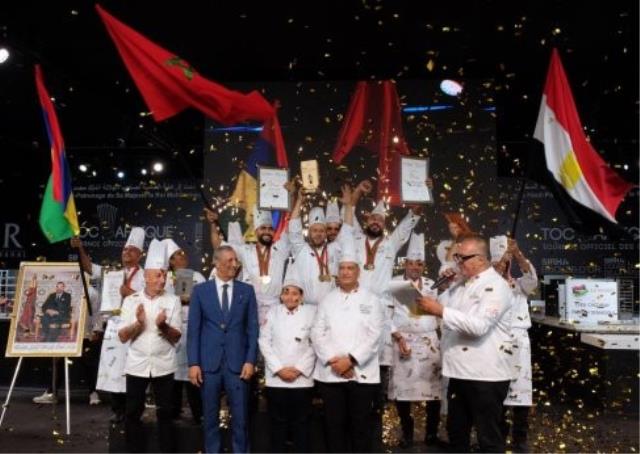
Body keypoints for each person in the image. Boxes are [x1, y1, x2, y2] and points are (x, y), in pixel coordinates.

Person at [418, 233, 515, 453]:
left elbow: (479, 326)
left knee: (488, 437)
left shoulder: (496, 286)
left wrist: (441, 310)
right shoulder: (462, 284)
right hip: (459, 373)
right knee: (457, 433)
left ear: (481, 259)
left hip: (486, 376)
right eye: (457, 257)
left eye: (463, 258)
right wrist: (447, 288)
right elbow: (443, 312)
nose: (457, 262)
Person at [311, 245, 384, 453]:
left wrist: (350, 361)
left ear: (358, 271)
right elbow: (317, 333)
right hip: (331, 375)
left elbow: (374, 335)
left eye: (350, 268)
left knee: (360, 427)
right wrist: (336, 362)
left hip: (362, 375)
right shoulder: (327, 299)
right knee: (333, 427)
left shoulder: (372, 299)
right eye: (342, 268)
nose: (345, 272)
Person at [187, 245, 259, 454]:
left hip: (238, 365)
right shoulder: (200, 291)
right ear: (216, 263)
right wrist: (193, 363)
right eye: (229, 261)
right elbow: (194, 331)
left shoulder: (246, 291)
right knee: (209, 419)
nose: (234, 265)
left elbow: (252, 329)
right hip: (209, 365)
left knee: (241, 419)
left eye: (235, 260)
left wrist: (250, 360)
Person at [73, 227, 146, 423]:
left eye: (131, 250)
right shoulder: (112, 273)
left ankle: (133, 411)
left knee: (131, 371)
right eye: (124, 249)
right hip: (113, 327)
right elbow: (89, 268)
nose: (126, 252)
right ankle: (117, 409)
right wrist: (80, 248)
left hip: (135, 329)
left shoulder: (145, 276)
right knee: (114, 369)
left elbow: (148, 301)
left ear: (139, 254)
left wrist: (129, 292)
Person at [118, 239, 182, 453]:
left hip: (164, 365)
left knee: (166, 413)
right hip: (137, 365)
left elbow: (176, 337)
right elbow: (122, 337)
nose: (162, 279)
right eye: (158, 274)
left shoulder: (173, 301)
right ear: (146, 277)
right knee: (133, 412)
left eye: (164, 274)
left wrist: (162, 325)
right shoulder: (131, 301)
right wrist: (139, 323)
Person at [388, 233, 443, 448]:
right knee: (403, 391)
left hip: (429, 342)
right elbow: (385, 314)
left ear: (423, 266)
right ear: (405, 265)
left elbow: (440, 311)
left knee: (434, 391)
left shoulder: (432, 284)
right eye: (411, 263)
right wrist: (398, 336)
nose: (415, 267)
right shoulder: (394, 284)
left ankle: (431, 434)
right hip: (404, 341)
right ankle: (408, 433)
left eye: (419, 264)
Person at [258, 267, 316, 453]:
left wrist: (298, 369)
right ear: (281, 296)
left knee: (302, 424)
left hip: (302, 380)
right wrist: (279, 369)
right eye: (286, 292)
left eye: (294, 293)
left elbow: (316, 344)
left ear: (301, 296)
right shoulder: (273, 313)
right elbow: (264, 342)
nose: (290, 297)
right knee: (277, 424)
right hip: (277, 380)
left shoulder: (312, 313)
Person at [492, 237, 538, 453]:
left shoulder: (519, 286)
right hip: (495, 343)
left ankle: (520, 439)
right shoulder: (487, 287)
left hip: (519, 344)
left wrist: (517, 253)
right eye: (498, 262)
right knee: (497, 392)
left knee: (521, 392)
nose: (502, 266)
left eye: (504, 262)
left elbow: (532, 277)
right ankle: (498, 437)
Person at [209, 205, 291, 324]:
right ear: (256, 231)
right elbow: (218, 246)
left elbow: (291, 227)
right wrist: (212, 224)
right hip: (252, 305)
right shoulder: (245, 251)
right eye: (263, 228)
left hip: (275, 306)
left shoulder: (280, 249)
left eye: (270, 229)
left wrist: (294, 198)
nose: (267, 231)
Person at [161, 238, 206, 424]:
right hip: (172, 332)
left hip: (194, 330)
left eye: (182, 252)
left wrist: (190, 299)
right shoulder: (163, 280)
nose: (183, 256)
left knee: (193, 372)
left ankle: (199, 414)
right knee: (173, 374)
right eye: (178, 255)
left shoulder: (196, 276)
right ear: (170, 262)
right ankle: (173, 412)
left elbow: (205, 299)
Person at [287, 184, 354, 305]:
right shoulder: (301, 249)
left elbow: (347, 230)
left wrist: (348, 205)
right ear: (309, 232)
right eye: (315, 230)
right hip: (306, 307)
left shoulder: (333, 248)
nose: (318, 234)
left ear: (325, 233)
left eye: (322, 231)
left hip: (331, 307)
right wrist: (299, 201)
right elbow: (293, 227)